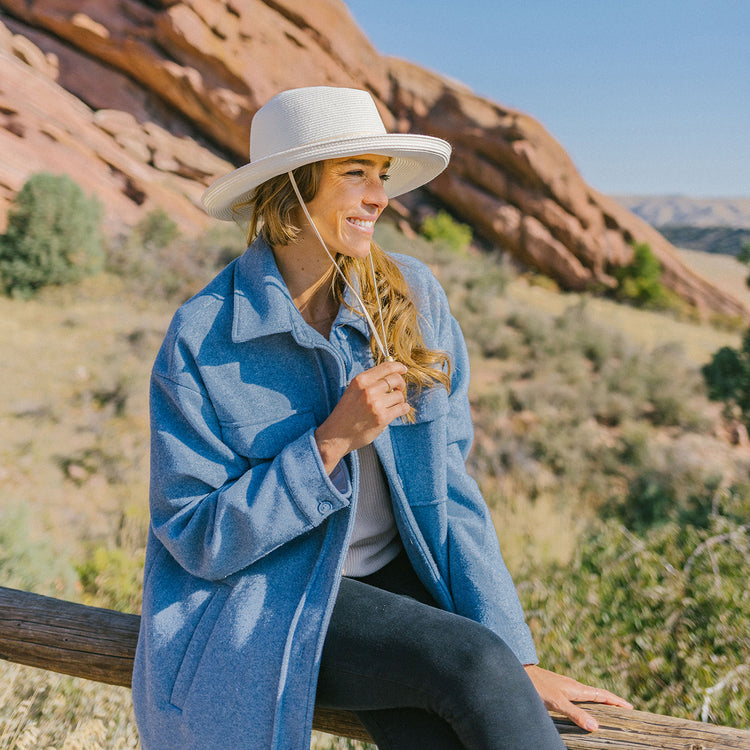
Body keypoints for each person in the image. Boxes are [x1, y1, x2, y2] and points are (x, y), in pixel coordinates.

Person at [132, 86, 631, 750]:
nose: (380, 198)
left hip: (396, 589)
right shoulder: (205, 336)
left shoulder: (414, 296)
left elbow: (451, 491)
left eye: (383, 176)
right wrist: (329, 443)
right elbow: (197, 538)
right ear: (291, 189)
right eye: (355, 173)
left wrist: (520, 656)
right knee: (473, 665)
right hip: (273, 600)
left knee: (462, 699)